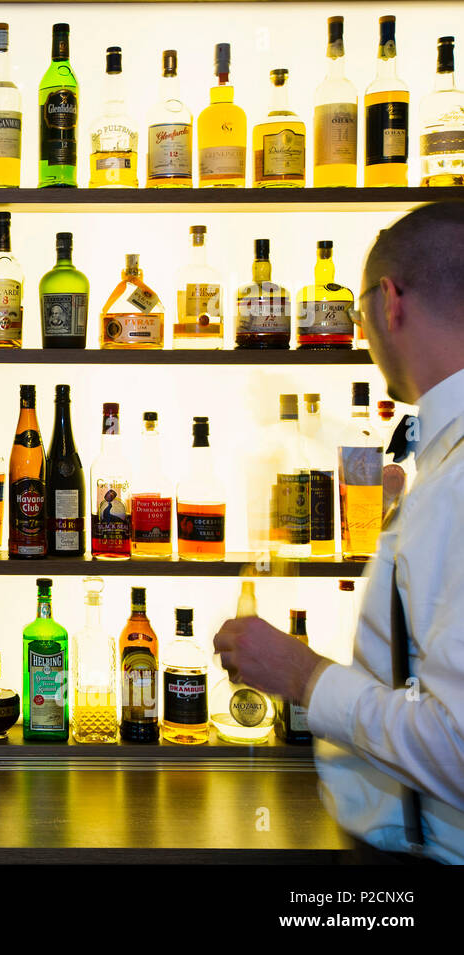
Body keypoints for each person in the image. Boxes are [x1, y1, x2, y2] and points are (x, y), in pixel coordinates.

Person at [214, 201, 464, 865]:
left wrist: (301, 674)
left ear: (389, 302)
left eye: (357, 313)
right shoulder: (441, 463)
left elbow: (459, 747)